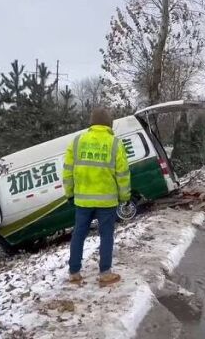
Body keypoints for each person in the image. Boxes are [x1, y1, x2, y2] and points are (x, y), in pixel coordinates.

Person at [63, 107, 131, 285]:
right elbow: (123, 174)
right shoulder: (115, 143)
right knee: (106, 235)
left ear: (91, 123)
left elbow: (68, 172)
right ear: (109, 123)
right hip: (107, 201)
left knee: (78, 234)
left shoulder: (77, 142)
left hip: (83, 200)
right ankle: (105, 273)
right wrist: (125, 197)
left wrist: (69, 194)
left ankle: (74, 273)